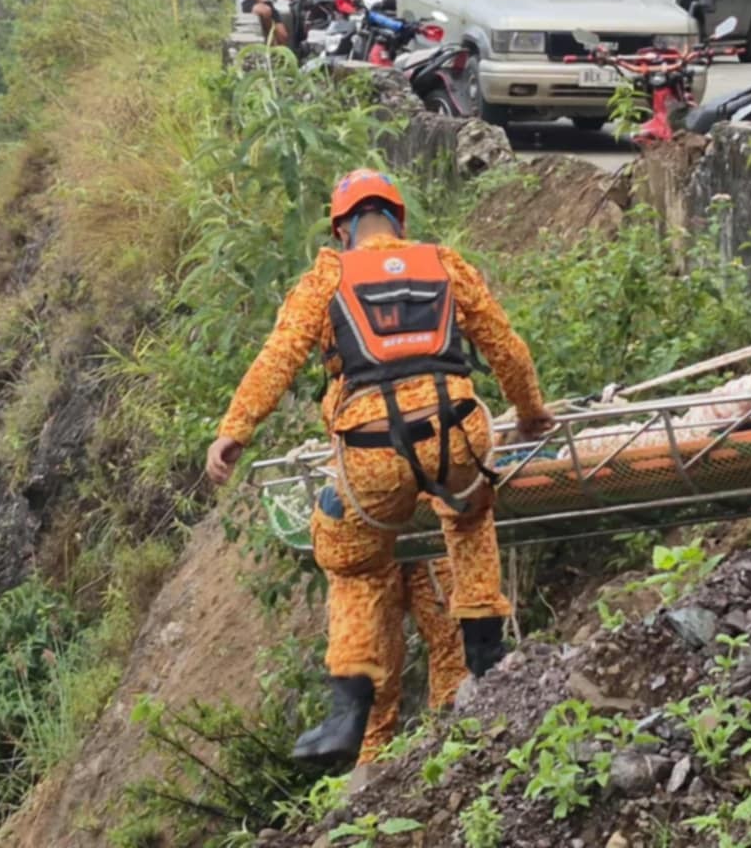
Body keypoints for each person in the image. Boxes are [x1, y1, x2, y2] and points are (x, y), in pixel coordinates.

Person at [205, 169, 555, 773]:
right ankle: (489, 656)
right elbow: (506, 347)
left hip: (373, 450)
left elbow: (280, 356)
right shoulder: (444, 263)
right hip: (457, 435)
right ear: (400, 222)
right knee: (468, 523)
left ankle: (348, 712)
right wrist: (530, 413)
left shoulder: (329, 276)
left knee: (354, 560)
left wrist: (235, 430)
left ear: (342, 228)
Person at [362, 560, 466, 763]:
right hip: (372, 546)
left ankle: (452, 733)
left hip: (430, 540)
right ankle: (370, 763)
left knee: (451, 634)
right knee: (375, 653)